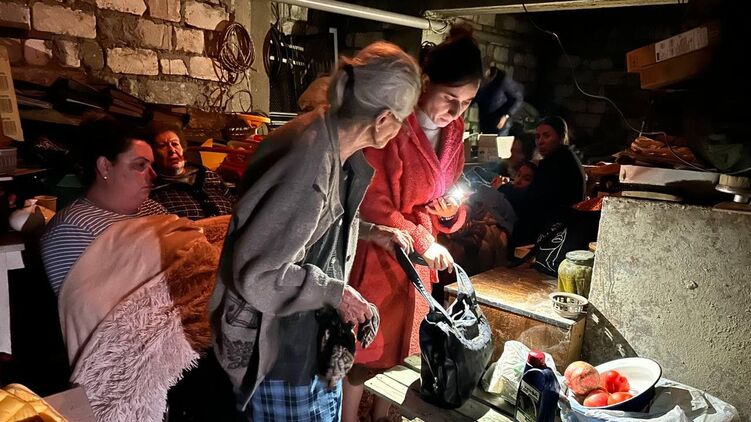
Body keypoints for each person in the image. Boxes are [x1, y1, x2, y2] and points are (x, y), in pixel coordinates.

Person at [209, 41, 421, 421]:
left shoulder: (331, 139)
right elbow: (260, 274)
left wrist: (371, 231)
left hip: (306, 335)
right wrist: (338, 293)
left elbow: (306, 224)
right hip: (282, 351)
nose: (402, 129)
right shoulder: (308, 162)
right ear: (383, 120)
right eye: (403, 119)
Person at [343, 25, 484, 422]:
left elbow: (453, 189)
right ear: (425, 82)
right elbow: (375, 202)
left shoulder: (454, 133)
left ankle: (383, 415)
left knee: (403, 346)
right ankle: (348, 417)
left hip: (421, 253)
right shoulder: (392, 125)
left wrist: (449, 213)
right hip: (382, 247)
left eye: (466, 102)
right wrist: (423, 238)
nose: (456, 112)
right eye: (449, 98)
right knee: (367, 345)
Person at [41, 116, 166, 296]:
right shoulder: (73, 228)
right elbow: (91, 307)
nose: (153, 175)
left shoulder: (155, 209)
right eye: (140, 165)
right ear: (105, 166)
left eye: (151, 166)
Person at [508, 116, 586, 248]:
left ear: (561, 137)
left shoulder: (558, 163)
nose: (540, 142)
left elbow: (532, 199)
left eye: (546, 136)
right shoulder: (561, 158)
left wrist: (503, 189)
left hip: (555, 233)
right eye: (537, 137)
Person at [147, 122, 236, 220]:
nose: (172, 150)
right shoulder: (152, 190)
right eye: (162, 146)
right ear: (152, 154)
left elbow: (234, 203)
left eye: (175, 144)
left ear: (182, 148)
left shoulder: (207, 174)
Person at [474, 65, 524, 135]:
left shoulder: (503, 80)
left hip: (500, 125)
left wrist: (506, 116)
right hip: (485, 123)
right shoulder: (481, 82)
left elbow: (518, 99)